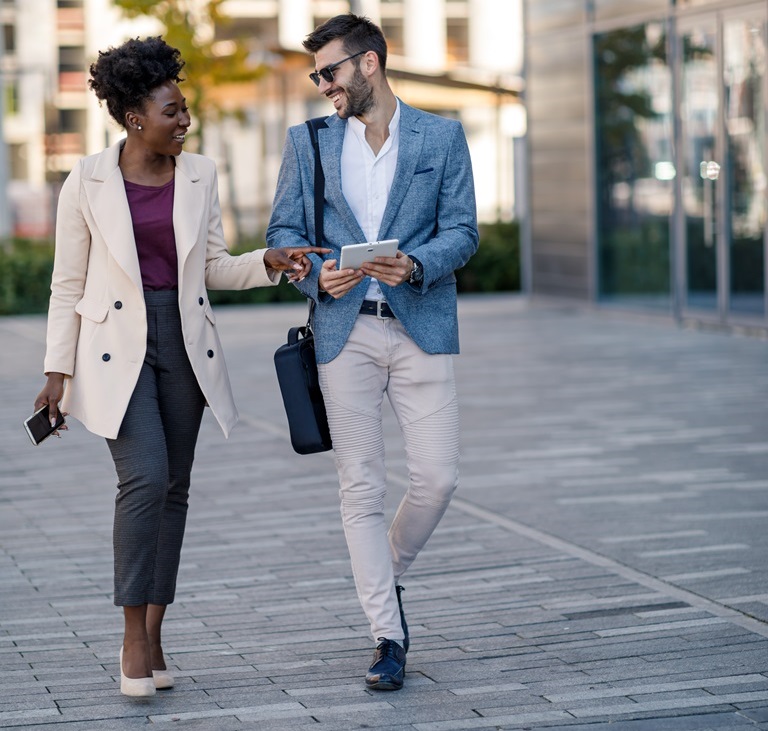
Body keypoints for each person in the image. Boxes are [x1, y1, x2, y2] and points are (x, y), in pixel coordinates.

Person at [32, 37, 327, 698]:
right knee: (146, 478)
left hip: (185, 343)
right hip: (114, 350)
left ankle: (157, 628)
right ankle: (132, 635)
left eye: (185, 108)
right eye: (173, 110)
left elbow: (214, 266)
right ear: (136, 117)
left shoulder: (200, 174)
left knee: (175, 488)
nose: (185, 120)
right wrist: (56, 369)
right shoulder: (86, 179)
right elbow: (66, 284)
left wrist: (269, 262)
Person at [266, 14, 479, 690]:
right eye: (316, 74)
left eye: (329, 71)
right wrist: (312, 273)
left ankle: (383, 576)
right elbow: (284, 231)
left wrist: (415, 263)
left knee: (438, 477)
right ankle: (386, 632)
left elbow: (465, 231)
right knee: (360, 485)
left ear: (369, 65)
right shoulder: (308, 142)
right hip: (344, 330)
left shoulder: (441, 136)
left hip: (421, 324)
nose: (321, 84)